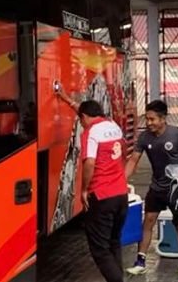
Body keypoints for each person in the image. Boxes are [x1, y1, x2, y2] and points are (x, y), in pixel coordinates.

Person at [57, 91, 128, 282]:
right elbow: (124, 153)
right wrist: (64, 96)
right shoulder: (113, 126)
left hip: (102, 196)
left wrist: (84, 190)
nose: (80, 124)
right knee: (114, 243)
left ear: (86, 117)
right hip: (121, 195)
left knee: (99, 249)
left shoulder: (90, 133)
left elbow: (89, 162)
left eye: (80, 120)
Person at [126, 100, 178, 276]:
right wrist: (121, 180)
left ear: (162, 119)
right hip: (156, 187)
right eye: (147, 119)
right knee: (148, 221)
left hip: (176, 188)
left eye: (152, 119)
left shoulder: (177, 134)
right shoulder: (144, 137)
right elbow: (133, 160)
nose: (148, 123)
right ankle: (140, 261)